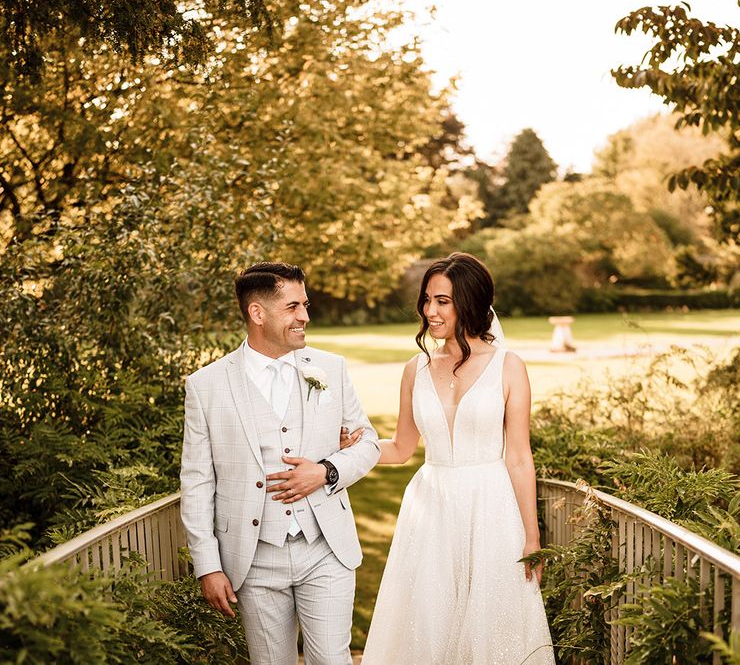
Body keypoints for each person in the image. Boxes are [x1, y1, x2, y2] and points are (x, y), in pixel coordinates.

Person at [180, 261, 380, 665]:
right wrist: (208, 565)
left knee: (332, 660)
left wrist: (326, 470)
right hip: (253, 557)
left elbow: (369, 443)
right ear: (257, 313)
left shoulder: (330, 369)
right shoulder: (206, 386)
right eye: (292, 307)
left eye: (304, 305)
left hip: (325, 546)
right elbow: (198, 481)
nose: (305, 316)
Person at [362, 252, 554, 664]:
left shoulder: (509, 366)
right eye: (427, 299)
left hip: (491, 508)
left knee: (490, 624)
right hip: (430, 507)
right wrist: (353, 448)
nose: (430, 311)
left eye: (442, 301)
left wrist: (532, 536)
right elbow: (400, 448)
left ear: (469, 301)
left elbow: (519, 457)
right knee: (427, 620)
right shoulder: (416, 368)